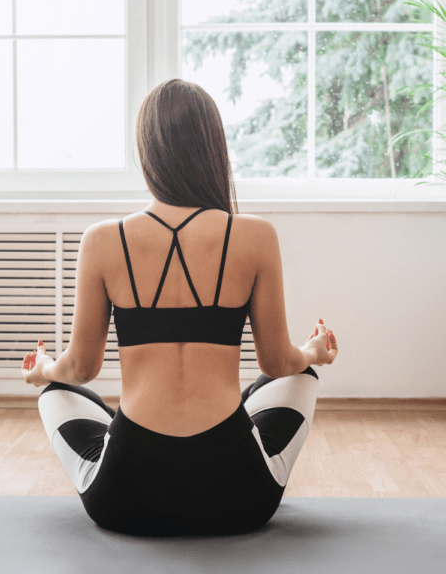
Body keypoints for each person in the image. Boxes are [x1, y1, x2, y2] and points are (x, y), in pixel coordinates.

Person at [21, 78, 339, 537]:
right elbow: (277, 362)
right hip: (238, 497)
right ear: (213, 149)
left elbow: (80, 369)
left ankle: (116, 430)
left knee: (56, 393)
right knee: (299, 377)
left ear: (147, 151)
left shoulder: (102, 241)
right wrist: (313, 352)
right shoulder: (255, 235)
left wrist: (44, 368)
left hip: (126, 498)